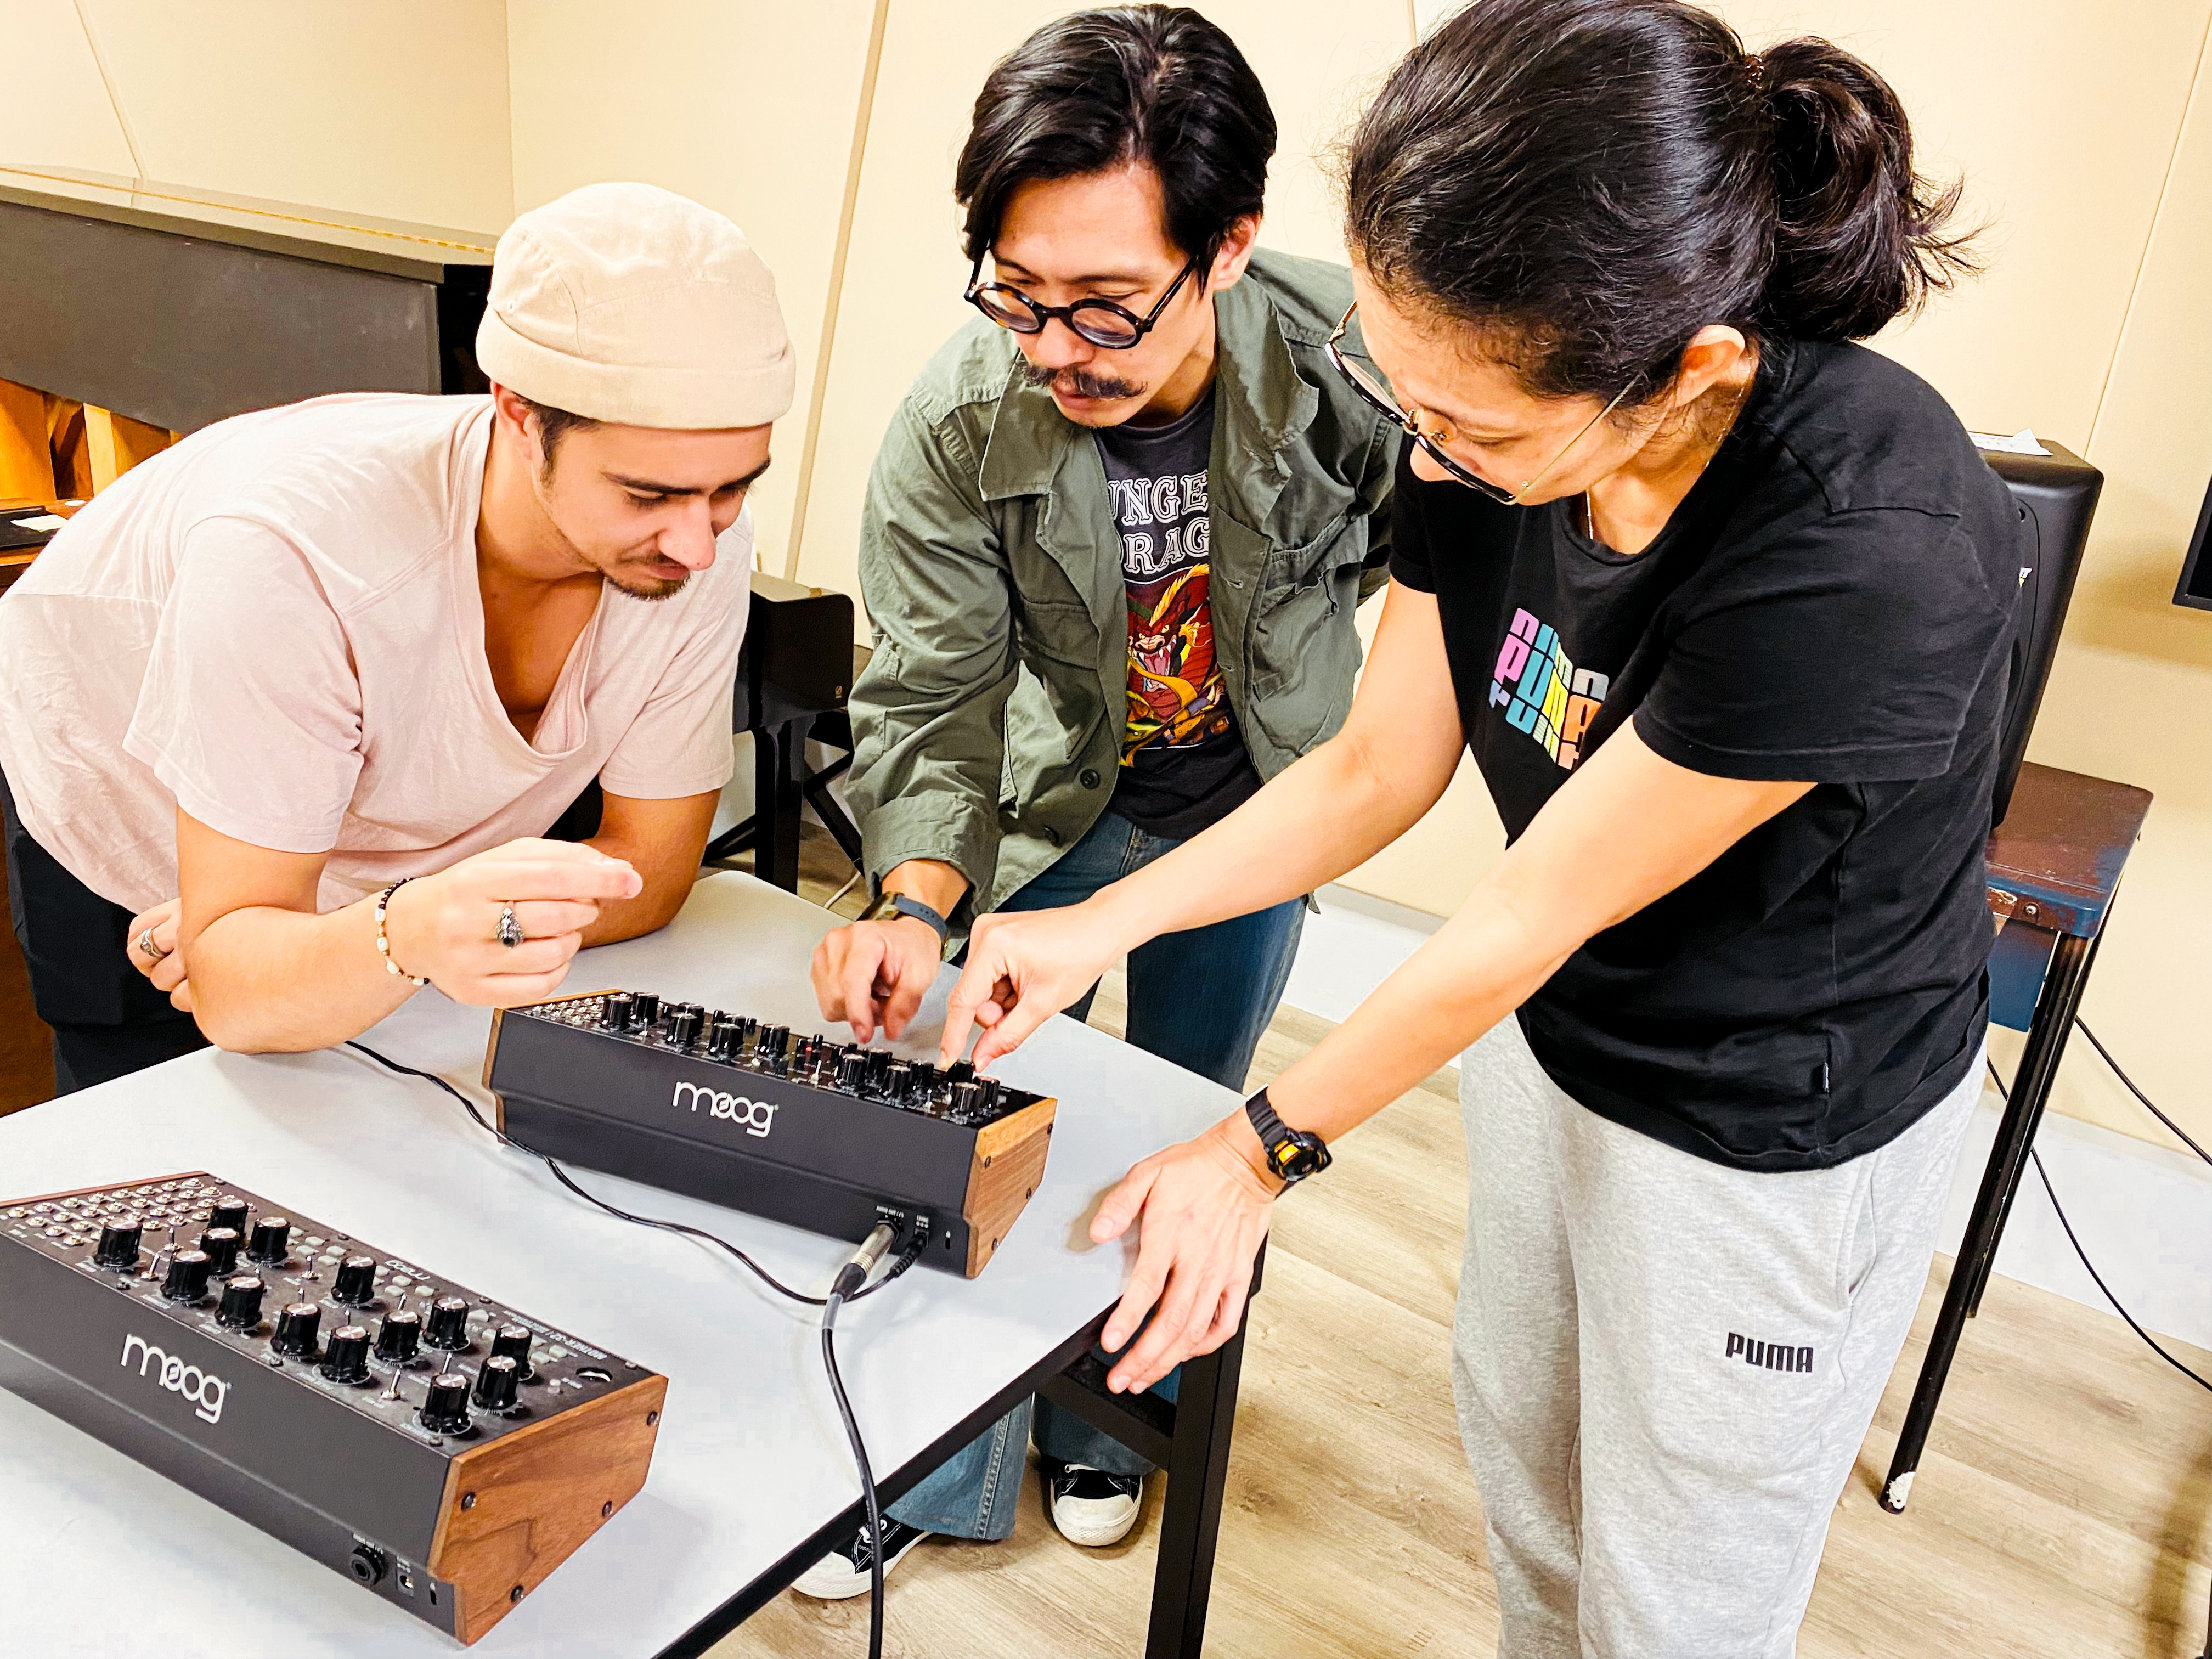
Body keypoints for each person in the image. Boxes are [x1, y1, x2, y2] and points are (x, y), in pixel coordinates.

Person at [934, 2, 2015, 1652]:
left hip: (1770, 1124)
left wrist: (1257, 1148)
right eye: (1407, 391)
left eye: (1479, 434)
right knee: (1530, 1479)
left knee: (1681, 1585)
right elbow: (1380, 765)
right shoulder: (1476, 410)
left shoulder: (1866, 533)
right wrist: (1099, 924)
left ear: (1690, 370)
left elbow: (1529, 910)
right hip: (1552, 1045)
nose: (1427, 455)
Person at [799, 4, 1398, 1596]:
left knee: (1188, 1124)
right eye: (1018, 295)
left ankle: (1114, 1427)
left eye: (1108, 308)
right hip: (1059, 816)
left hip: (1261, 815)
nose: (1056, 346)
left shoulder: (1360, 367)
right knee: (989, 1124)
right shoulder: (953, 421)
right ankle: (936, 1469)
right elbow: (928, 697)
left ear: (1230, 249)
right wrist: (918, 897)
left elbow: (1466, 574)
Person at [0, 182, 794, 1088]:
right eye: (646, 495)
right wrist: (283, 949)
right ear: (519, 414)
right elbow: (234, 989)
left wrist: (379, 931)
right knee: (169, 1129)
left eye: (733, 488)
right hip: (126, 802)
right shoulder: (299, 560)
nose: (698, 544)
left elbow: (648, 872)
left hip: (383, 856)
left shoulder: (692, 549)